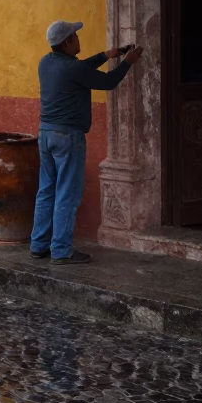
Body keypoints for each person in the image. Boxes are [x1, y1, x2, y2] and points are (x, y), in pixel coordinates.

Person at [30, 20, 142, 265]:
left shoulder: (46, 62)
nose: (79, 39)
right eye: (75, 36)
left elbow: (80, 68)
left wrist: (106, 54)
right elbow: (108, 82)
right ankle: (60, 250)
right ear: (66, 42)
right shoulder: (73, 69)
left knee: (46, 190)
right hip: (67, 137)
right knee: (67, 194)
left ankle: (39, 244)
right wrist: (127, 61)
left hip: (46, 134)